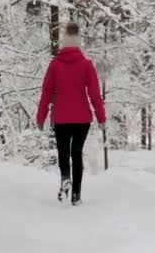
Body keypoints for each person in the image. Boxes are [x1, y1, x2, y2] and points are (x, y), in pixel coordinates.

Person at [36, 22, 106, 206]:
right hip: (82, 118)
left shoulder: (55, 65)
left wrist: (41, 117)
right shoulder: (86, 64)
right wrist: (101, 117)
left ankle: (65, 177)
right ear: (78, 42)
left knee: (63, 151)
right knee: (76, 153)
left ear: (63, 43)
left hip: (60, 117)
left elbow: (46, 92)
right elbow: (94, 93)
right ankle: (76, 195)